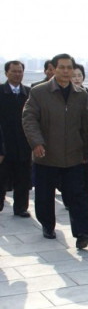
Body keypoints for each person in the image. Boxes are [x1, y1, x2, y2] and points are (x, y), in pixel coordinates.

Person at [22, 53, 88, 248]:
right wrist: (37, 143)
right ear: (53, 69)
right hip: (46, 155)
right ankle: (48, 225)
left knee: (76, 195)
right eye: (61, 67)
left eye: (69, 67)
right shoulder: (39, 92)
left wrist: (86, 151)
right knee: (45, 196)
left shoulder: (81, 94)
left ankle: (84, 233)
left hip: (73, 155)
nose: (66, 71)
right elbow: (29, 118)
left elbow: (85, 125)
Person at [0, 61, 32, 216]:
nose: (17, 74)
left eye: (20, 71)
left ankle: (21, 208)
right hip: (4, 144)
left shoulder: (29, 92)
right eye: (13, 71)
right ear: (6, 73)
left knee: (23, 179)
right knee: (1, 177)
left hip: (24, 144)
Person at [71, 64, 88, 213]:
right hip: (70, 143)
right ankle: (72, 202)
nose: (77, 78)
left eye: (79, 75)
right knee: (72, 176)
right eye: (74, 76)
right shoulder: (65, 95)